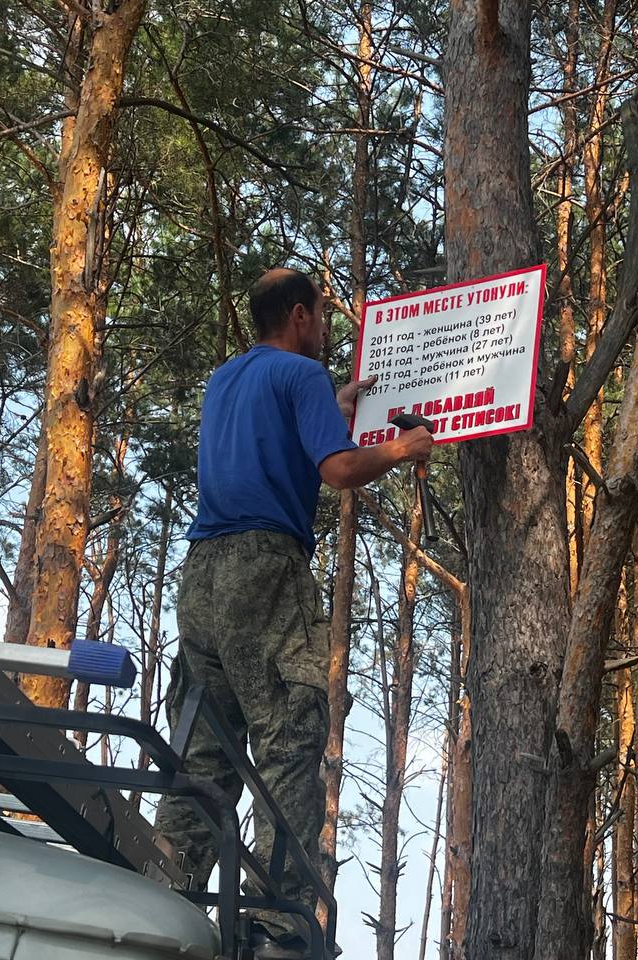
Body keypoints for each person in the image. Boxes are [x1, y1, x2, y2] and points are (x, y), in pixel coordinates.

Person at [156, 267, 432, 958]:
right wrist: (401, 448)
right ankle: (278, 928)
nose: (328, 331)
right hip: (265, 567)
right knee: (287, 739)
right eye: (323, 319)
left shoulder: (227, 379)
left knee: (205, 748)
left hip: (202, 575)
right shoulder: (300, 376)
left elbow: (272, 442)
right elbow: (338, 472)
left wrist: (334, 407)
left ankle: (165, 892)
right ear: (301, 316)